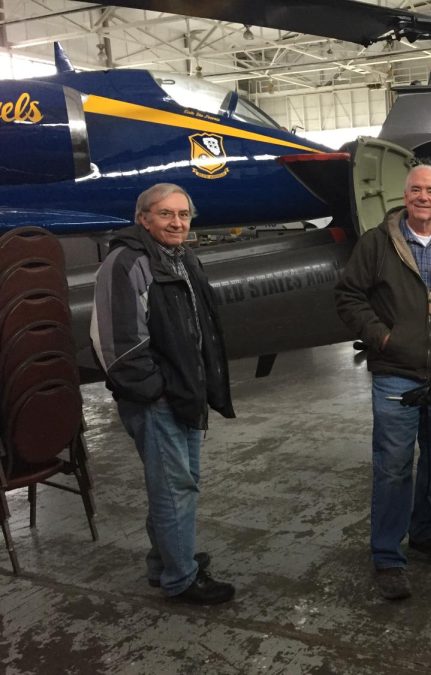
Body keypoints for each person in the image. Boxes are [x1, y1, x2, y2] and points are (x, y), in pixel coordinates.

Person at [335, 164, 431, 600]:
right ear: (404, 195)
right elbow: (348, 295)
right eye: (416, 189)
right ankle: (387, 555)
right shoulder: (377, 244)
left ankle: (425, 532)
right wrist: (383, 337)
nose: (424, 197)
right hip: (395, 376)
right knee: (394, 466)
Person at [90, 183, 236, 605]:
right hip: (158, 400)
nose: (177, 223)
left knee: (177, 485)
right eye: (166, 214)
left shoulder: (182, 257)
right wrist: (156, 392)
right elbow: (118, 344)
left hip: (183, 393)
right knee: (176, 489)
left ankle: (167, 561)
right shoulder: (127, 263)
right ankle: (181, 578)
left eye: (184, 215)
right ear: (143, 219)